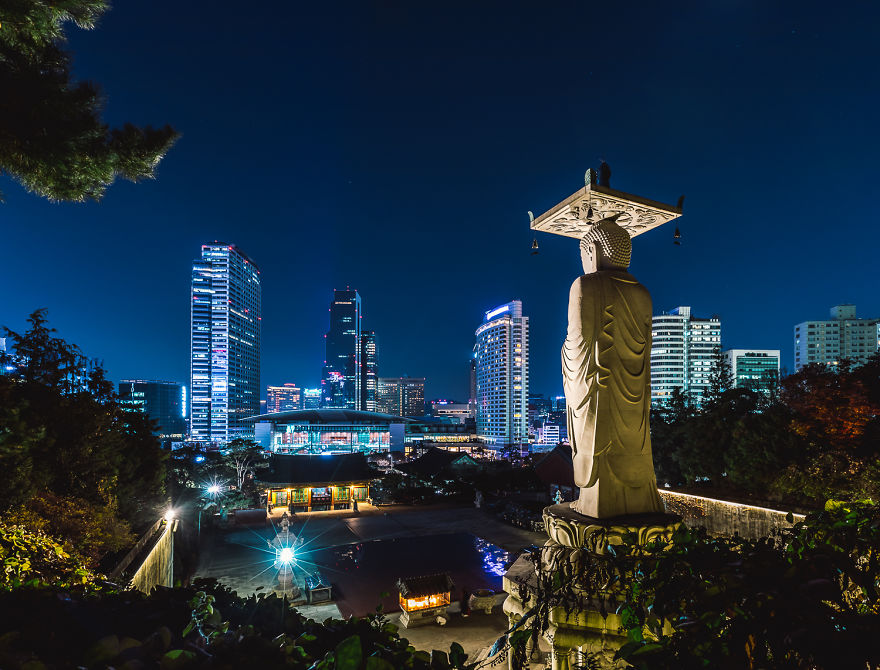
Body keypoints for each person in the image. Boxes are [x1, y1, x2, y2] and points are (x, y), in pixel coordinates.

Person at [562, 215, 664, 518]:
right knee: (635, 444)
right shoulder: (643, 293)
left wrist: (564, 353)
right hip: (634, 397)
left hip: (599, 389)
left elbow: (577, 343)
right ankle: (641, 499)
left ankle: (595, 502)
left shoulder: (584, 285)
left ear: (592, 252)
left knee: (597, 443)